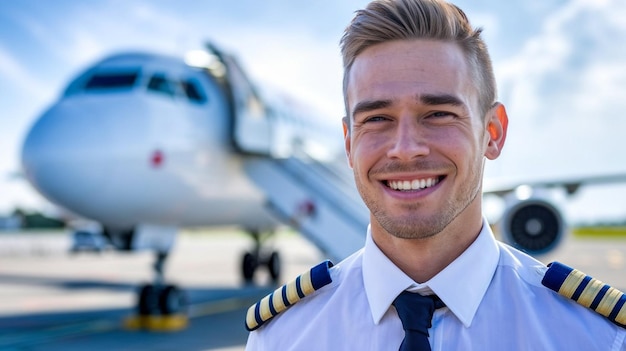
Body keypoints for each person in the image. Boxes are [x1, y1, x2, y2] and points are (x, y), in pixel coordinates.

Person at [245, 0, 626, 349]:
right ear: (348, 143)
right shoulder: (280, 337)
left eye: (439, 114)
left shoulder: (597, 337)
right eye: (377, 119)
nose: (406, 148)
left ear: (492, 132)